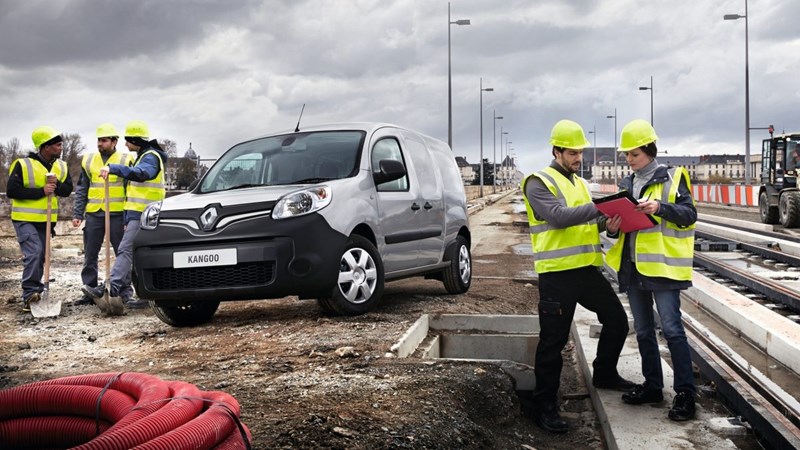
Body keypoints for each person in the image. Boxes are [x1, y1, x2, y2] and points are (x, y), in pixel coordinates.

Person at [522, 119, 634, 434]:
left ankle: (605, 374)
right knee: (552, 343)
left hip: (585, 270)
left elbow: (586, 222)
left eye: (580, 152)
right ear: (556, 150)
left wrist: (606, 225)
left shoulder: (580, 183)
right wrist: (599, 209)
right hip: (557, 275)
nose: (578, 158)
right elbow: (557, 218)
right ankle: (544, 406)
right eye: (573, 152)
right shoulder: (537, 182)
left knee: (617, 320)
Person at [604, 119, 697, 421]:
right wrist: (613, 227)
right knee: (643, 331)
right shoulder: (626, 184)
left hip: (662, 269)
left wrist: (660, 208)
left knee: (672, 330)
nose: (630, 160)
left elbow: (689, 215)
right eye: (627, 155)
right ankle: (653, 386)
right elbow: (618, 228)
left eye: (635, 154)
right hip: (632, 268)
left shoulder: (673, 177)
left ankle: (685, 394)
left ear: (649, 150)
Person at [82, 120, 167, 311]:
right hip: (137, 213)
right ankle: (134, 293)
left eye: (128, 140)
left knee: (126, 250)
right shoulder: (144, 155)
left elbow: (143, 174)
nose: (126, 145)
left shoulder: (150, 157)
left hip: (146, 212)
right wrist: (128, 218)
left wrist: (114, 168)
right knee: (133, 252)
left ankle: (112, 287)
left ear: (135, 139)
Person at [7, 126, 73, 312]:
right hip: (24, 219)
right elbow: (12, 191)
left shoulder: (62, 166)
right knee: (34, 252)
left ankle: (37, 292)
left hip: (46, 221)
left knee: (42, 256)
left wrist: (56, 184)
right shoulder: (23, 164)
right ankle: (29, 294)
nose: (61, 148)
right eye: (58, 145)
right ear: (45, 147)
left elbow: (67, 190)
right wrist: (41, 192)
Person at [72, 124, 133, 306]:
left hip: (117, 214)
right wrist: (78, 213)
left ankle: (124, 293)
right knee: (90, 254)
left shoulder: (125, 159)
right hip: (94, 214)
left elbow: (130, 189)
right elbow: (82, 188)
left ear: (114, 141)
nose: (100, 143)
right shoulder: (88, 160)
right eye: (99, 140)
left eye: (104, 140)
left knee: (122, 254)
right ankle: (89, 291)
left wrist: (128, 216)